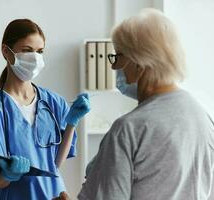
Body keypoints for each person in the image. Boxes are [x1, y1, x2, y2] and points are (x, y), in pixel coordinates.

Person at [54, 8, 214, 200]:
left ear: (140, 62)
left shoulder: (129, 128)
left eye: (118, 56)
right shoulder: (202, 116)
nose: (112, 66)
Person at [0, 19, 90, 200]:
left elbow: (53, 165)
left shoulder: (54, 102)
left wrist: (71, 123)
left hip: (54, 196)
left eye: (40, 52)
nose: (35, 58)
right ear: (6, 52)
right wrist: (7, 174)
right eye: (27, 50)